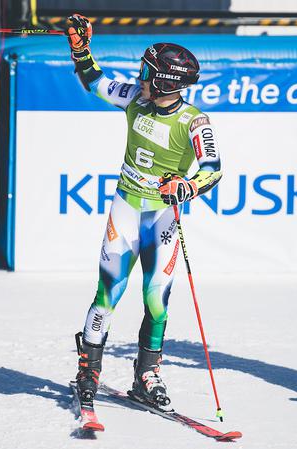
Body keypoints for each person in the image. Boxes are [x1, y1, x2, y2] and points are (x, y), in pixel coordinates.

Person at [66, 14, 222, 412]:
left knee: (157, 300)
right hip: (127, 208)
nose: (140, 78)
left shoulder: (195, 122)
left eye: (147, 73)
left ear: (167, 82)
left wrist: (187, 187)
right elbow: (96, 83)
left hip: (163, 219)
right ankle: (89, 370)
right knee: (108, 292)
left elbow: (213, 169)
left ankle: (146, 374)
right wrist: (82, 50)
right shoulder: (136, 96)